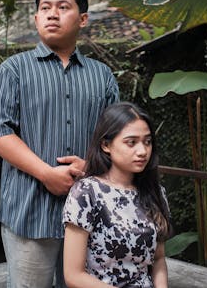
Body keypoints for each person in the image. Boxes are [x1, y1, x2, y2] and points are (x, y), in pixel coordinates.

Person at [0, 0, 119, 288]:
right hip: (30, 212)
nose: (52, 14)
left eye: (63, 7)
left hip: (90, 213)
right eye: (45, 8)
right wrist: (46, 173)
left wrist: (91, 166)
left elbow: (114, 136)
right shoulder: (12, 71)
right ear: (35, 17)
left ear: (83, 19)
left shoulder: (102, 76)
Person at [62, 102, 171, 288]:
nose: (142, 151)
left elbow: (159, 259)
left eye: (147, 141)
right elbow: (73, 275)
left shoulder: (155, 192)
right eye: (131, 142)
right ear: (106, 145)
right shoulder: (87, 193)